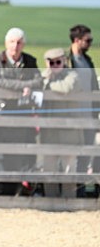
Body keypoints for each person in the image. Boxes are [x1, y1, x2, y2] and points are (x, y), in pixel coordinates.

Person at [0, 27, 43, 196]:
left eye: (19, 42)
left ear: (23, 44)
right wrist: (22, 86)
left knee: (13, 155)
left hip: (18, 114)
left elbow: (38, 81)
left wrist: (26, 86)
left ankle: (9, 193)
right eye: (12, 42)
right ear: (6, 43)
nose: (15, 46)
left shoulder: (30, 61)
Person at [40, 48, 86, 197]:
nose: (55, 65)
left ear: (64, 61)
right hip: (49, 132)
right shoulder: (45, 77)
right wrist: (45, 79)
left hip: (69, 132)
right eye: (51, 62)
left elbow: (66, 88)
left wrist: (47, 85)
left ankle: (68, 201)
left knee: (68, 169)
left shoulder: (73, 75)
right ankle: (51, 201)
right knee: (49, 168)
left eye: (58, 62)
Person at [67, 24, 98, 196]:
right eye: (88, 40)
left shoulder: (88, 61)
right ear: (77, 40)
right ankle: (70, 189)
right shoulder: (66, 61)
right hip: (72, 115)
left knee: (86, 153)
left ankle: (81, 189)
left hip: (89, 115)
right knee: (72, 154)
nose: (90, 43)